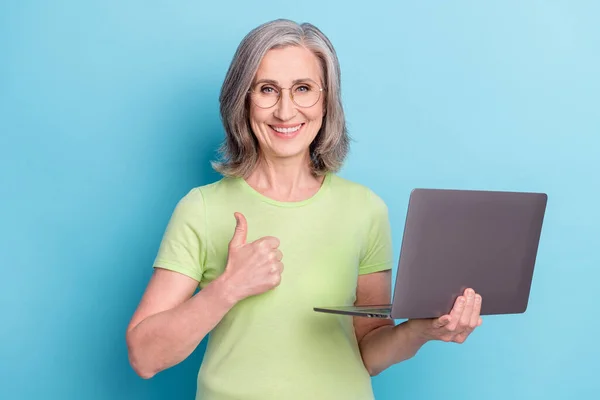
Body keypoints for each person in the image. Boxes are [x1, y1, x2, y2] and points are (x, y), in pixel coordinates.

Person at [126, 19, 483, 400]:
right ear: (242, 99)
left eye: (303, 89)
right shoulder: (202, 208)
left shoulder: (365, 209)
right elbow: (145, 357)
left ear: (327, 100)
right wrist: (227, 289)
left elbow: (369, 349)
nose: (285, 110)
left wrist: (423, 329)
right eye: (267, 90)